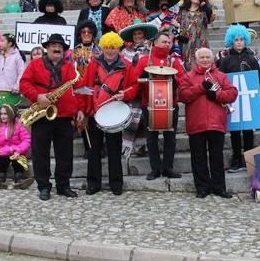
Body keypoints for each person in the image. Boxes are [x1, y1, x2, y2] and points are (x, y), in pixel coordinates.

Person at [19, 33, 83, 201]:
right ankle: (44, 186)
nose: (57, 48)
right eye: (54, 45)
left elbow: (79, 89)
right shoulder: (35, 64)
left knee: (65, 153)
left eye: (60, 46)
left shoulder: (71, 66)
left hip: (64, 115)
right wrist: (37, 96)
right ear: (46, 48)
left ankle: (63, 185)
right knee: (40, 152)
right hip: (42, 113)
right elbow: (24, 84)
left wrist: (80, 109)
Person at [79, 32, 137, 196]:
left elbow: (134, 86)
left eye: (113, 48)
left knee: (114, 149)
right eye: (107, 48)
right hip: (95, 112)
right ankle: (93, 183)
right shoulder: (93, 64)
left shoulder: (126, 65)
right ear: (103, 48)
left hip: (114, 114)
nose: (110, 51)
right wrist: (84, 110)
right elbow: (86, 87)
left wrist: (124, 94)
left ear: (118, 48)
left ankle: (116, 183)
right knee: (93, 149)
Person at [179, 47, 238, 198]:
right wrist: (200, 87)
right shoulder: (188, 76)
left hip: (216, 123)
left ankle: (219, 187)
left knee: (217, 157)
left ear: (212, 59)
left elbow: (232, 94)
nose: (205, 60)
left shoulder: (221, 76)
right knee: (198, 158)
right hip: (196, 123)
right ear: (196, 60)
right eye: (202, 57)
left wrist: (217, 95)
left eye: (207, 57)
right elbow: (183, 96)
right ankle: (202, 188)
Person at [134, 31, 186, 180]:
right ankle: (155, 169)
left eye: (169, 42)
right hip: (149, 104)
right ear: (154, 43)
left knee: (171, 137)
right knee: (151, 138)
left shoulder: (174, 60)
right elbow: (134, 81)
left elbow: (183, 81)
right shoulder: (144, 60)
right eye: (164, 42)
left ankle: (168, 168)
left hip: (171, 104)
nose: (167, 44)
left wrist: (177, 82)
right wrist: (141, 80)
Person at [218, 25, 260, 172]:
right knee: (235, 130)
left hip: (249, 97)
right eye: (236, 40)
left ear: (246, 40)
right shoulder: (225, 60)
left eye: (242, 39)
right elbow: (222, 79)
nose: (239, 42)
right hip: (233, 99)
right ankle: (236, 157)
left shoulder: (252, 58)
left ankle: (248, 157)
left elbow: (258, 78)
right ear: (231, 41)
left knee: (249, 129)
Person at [119, 19, 157, 156]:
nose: (137, 37)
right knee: (131, 118)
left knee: (143, 118)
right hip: (129, 89)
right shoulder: (124, 52)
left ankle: (142, 146)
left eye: (139, 34)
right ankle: (131, 145)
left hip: (145, 89)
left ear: (144, 34)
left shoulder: (151, 50)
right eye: (134, 34)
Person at [71, 20, 104, 159]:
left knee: (98, 118)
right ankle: (88, 147)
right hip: (80, 87)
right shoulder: (74, 51)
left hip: (97, 87)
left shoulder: (100, 49)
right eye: (83, 32)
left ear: (93, 34)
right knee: (83, 118)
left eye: (89, 32)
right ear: (80, 34)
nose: (86, 34)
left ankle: (100, 147)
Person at [0, 105, 33, 190]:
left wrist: (18, 150)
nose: (2, 116)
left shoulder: (19, 125)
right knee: (2, 162)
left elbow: (26, 140)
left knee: (17, 163)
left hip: (17, 152)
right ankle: (0, 180)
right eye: (1, 114)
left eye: (5, 114)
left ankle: (19, 180)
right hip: (2, 152)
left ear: (11, 114)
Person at [178, 0, 213, 68]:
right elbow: (178, 25)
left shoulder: (204, 12)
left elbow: (210, 17)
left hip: (200, 42)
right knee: (187, 66)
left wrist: (204, 6)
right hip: (186, 44)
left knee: (201, 65)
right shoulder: (183, 12)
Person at [0, 33, 25, 108]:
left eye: (2, 41)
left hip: (13, 91)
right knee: (3, 115)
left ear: (10, 43)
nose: (0, 43)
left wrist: (17, 85)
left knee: (13, 114)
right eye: (0, 41)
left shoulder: (17, 57)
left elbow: (21, 73)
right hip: (0, 91)